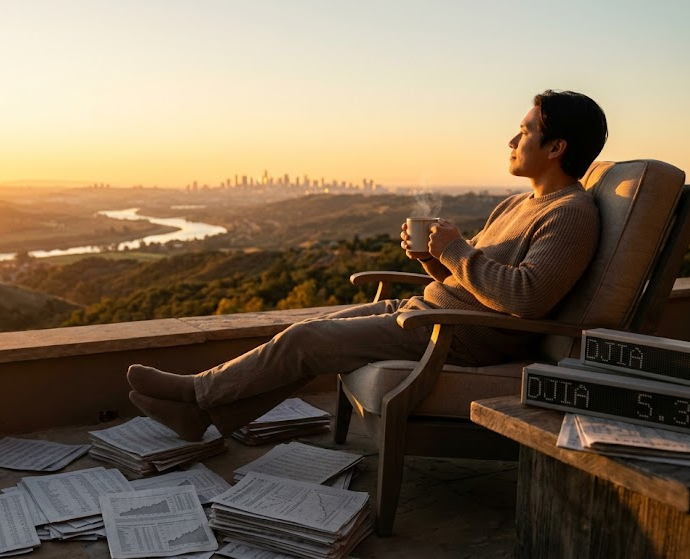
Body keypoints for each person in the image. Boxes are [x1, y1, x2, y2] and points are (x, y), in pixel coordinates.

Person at [127, 90, 607, 441]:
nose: (512, 138)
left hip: (455, 334)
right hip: (428, 311)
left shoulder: (570, 214)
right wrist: (433, 260)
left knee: (305, 341)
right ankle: (202, 416)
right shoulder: (516, 205)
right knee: (310, 334)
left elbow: (526, 297)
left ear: (555, 148)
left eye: (525, 130)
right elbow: (472, 279)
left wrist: (453, 250)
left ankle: (197, 393)